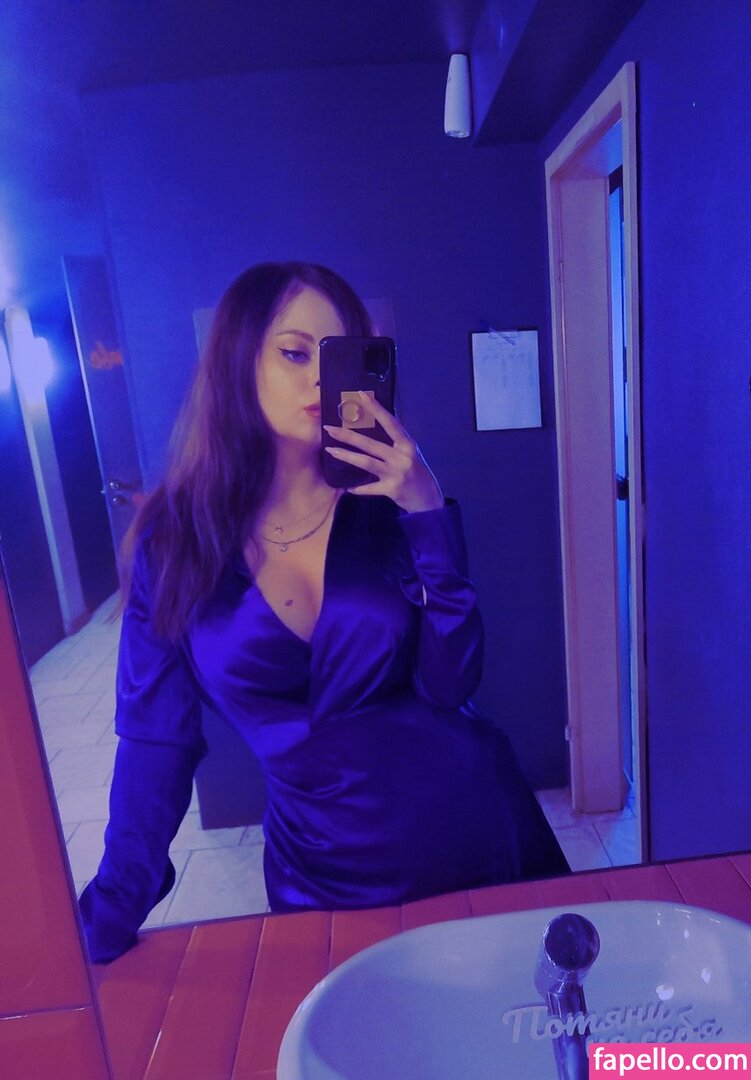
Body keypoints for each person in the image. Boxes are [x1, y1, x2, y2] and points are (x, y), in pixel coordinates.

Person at [79, 261, 568, 963]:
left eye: (338, 355)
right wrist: (112, 908)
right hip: (324, 870)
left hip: (478, 826)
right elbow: (155, 742)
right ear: (236, 362)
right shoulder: (175, 543)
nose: (320, 378)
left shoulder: (387, 504)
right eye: (294, 352)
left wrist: (428, 512)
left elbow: (449, 686)